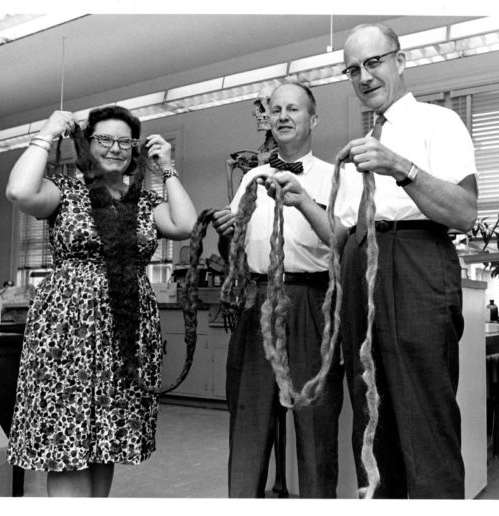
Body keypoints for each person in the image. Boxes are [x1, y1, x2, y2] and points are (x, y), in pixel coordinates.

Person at [5, 105, 197, 497]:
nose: (115, 148)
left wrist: (168, 169)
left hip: (125, 336)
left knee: (106, 438)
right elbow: (19, 191)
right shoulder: (65, 191)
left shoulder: (142, 201)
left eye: (125, 141)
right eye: (104, 139)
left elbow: (186, 225)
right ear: (86, 144)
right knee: (68, 436)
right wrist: (47, 132)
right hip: (68, 334)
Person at [334, 23, 479, 498]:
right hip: (362, 265)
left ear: (401, 59)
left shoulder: (440, 123)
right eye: (353, 69)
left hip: (417, 261)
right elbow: (341, 232)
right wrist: (298, 202)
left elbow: (464, 212)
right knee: (371, 414)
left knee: (425, 415)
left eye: (373, 62)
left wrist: (402, 166)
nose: (364, 76)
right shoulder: (363, 144)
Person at [212, 82, 343, 498]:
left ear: (313, 119)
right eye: (276, 110)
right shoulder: (253, 176)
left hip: (311, 303)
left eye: (294, 109)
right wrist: (225, 233)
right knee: (249, 422)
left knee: (315, 427)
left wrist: (305, 202)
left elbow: (347, 245)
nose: (283, 116)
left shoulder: (334, 177)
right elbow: (235, 249)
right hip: (256, 302)